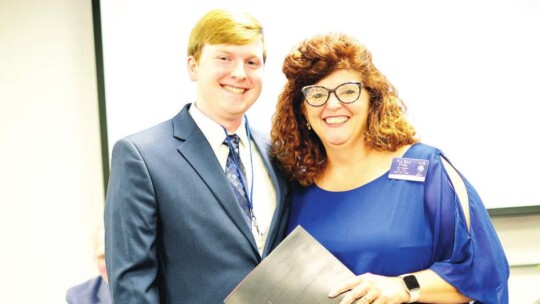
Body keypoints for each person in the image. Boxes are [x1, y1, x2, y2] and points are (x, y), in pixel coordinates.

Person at [271, 32, 509, 304]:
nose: (333, 104)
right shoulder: (296, 187)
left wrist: (404, 287)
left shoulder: (425, 170)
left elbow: (485, 273)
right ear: (302, 110)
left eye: (348, 91)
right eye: (317, 94)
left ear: (372, 100)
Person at [104, 8, 289, 304]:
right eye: (224, 58)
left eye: (251, 62)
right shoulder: (141, 157)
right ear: (193, 66)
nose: (239, 73)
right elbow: (132, 286)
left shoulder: (277, 153)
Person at [66, 225, 112, 304]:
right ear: (95, 258)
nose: (109, 264)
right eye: (102, 257)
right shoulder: (79, 298)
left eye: (113, 255)